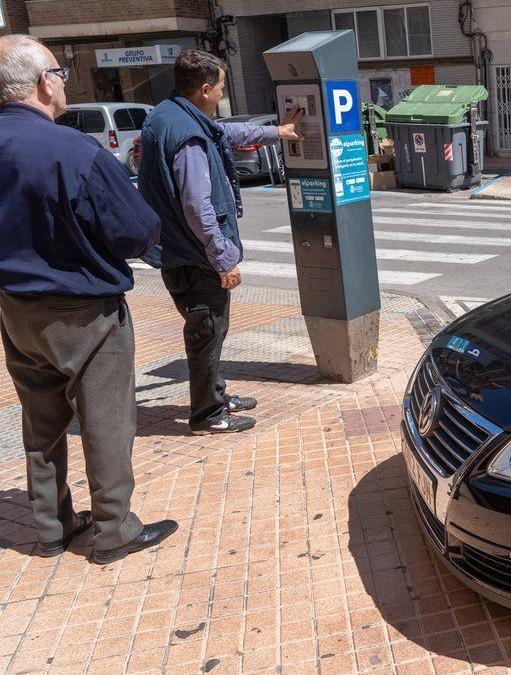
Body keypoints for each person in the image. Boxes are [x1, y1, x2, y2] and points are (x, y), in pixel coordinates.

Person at [0, 35, 177, 564]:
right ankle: (113, 528)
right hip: (84, 310)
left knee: (41, 421)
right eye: (60, 72)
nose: (64, 83)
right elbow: (138, 230)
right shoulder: (73, 149)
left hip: (15, 307)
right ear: (41, 83)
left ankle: (52, 526)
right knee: (105, 420)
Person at [138, 50, 302, 436]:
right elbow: (198, 207)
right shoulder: (188, 135)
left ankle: (216, 395)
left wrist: (276, 132)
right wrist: (223, 258)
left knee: (210, 330)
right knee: (206, 332)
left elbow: (226, 132)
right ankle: (208, 416)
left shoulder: (168, 115)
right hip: (195, 256)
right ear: (205, 88)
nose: (222, 96)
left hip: (179, 250)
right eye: (222, 89)